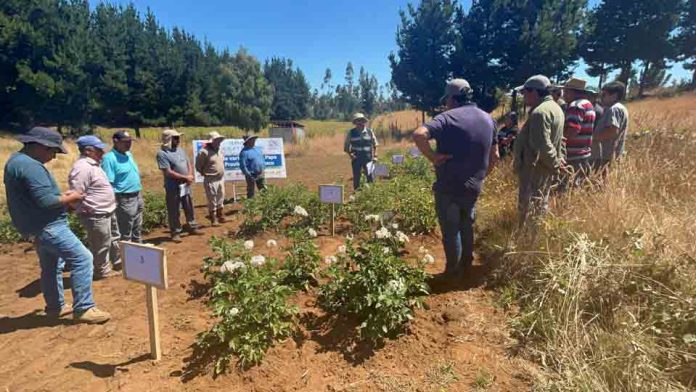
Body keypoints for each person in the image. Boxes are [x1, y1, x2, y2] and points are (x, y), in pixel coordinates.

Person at [3, 127, 111, 323]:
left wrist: (60, 198)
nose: (53, 156)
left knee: (52, 266)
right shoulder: (31, 167)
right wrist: (72, 197)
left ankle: (55, 306)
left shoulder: (15, 161)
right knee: (83, 259)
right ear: (39, 146)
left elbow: (37, 198)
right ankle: (84, 308)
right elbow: (46, 202)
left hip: (35, 227)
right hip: (49, 226)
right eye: (52, 151)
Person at [413, 78, 499, 276]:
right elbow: (495, 156)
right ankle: (466, 266)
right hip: (474, 186)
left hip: (449, 185)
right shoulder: (488, 119)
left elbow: (419, 135)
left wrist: (432, 157)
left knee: (451, 229)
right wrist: (482, 176)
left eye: (447, 99)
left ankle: (453, 271)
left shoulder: (446, 118)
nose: (446, 104)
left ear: (452, 98)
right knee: (467, 224)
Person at [513, 75, 565, 229]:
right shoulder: (556, 108)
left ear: (535, 92)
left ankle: (526, 241)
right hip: (544, 167)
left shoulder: (540, 113)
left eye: (525, 92)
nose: (524, 96)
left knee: (530, 206)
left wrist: (555, 163)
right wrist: (558, 160)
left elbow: (542, 144)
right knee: (540, 203)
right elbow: (560, 140)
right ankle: (531, 238)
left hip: (534, 169)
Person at [69, 135, 121, 280]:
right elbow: (76, 193)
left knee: (112, 239)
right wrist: (84, 209)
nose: (102, 152)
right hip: (95, 213)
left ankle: (115, 263)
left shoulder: (93, 165)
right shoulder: (82, 168)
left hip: (106, 210)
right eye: (99, 150)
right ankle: (102, 271)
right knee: (101, 244)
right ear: (88, 151)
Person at [101, 130, 144, 244]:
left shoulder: (129, 154)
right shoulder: (109, 158)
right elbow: (109, 184)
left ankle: (140, 251)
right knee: (126, 230)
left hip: (137, 194)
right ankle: (127, 255)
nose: (129, 144)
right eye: (125, 141)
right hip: (124, 198)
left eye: (130, 141)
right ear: (115, 141)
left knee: (137, 227)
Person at [156, 129, 198, 242]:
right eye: (175, 138)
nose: (178, 140)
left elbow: (188, 163)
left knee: (189, 206)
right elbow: (168, 172)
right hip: (173, 187)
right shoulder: (162, 153)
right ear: (168, 139)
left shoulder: (180, 150)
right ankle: (175, 232)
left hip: (186, 185)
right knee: (174, 210)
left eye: (178, 137)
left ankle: (192, 226)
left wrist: (189, 175)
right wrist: (185, 178)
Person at [560, 77, 596, 190]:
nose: (563, 94)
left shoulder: (575, 106)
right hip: (583, 153)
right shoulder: (588, 104)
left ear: (572, 92)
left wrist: (559, 142)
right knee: (578, 188)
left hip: (572, 155)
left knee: (567, 189)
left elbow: (572, 130)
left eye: (565, 91)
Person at [591, 81, 629, 173]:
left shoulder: (615, 109)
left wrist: (592, 138)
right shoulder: (618, 108)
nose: (601, 97)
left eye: (604, 94)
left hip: (605, 154)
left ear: (614, 95)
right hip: (607, 154)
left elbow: (612, 131)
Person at [195, 131, 226, 226]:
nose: (219, 142)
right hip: (210, 179)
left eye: (219, 140)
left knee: (221, 197)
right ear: (211, 141)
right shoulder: (204, 152)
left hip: (220, 178)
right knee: (212, 199)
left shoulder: (219, 150)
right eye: (217, 140)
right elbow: (198, 166)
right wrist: (204, 173)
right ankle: (213, 219)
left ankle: (220, 216)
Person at [344, 113, 379, 190]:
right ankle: (357, 194)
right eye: (358, 121)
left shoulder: (370, 131)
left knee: (370, 177)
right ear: (355, 123)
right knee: (356, 177)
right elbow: (346, 147)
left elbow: (375, 144)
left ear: (364, 121)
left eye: (361, 120)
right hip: (356, 159)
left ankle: (371, 193)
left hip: (368, 158)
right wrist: (350, 155)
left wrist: (375, 156)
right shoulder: (351, 133)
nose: (360, 123)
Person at [239, 135, 266, 199]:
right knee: (251, 191)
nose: (254, 140)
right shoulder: (244, 152)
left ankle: (266, 203)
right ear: (248, 141)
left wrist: (263, 168)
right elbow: (243, 165)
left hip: (261, 173)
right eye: (252, 139)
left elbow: (262, 158)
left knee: (263, 189)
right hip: (251, 175)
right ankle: (251, 205)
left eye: (254, 139)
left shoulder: (258, 149)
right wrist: (248, 174)